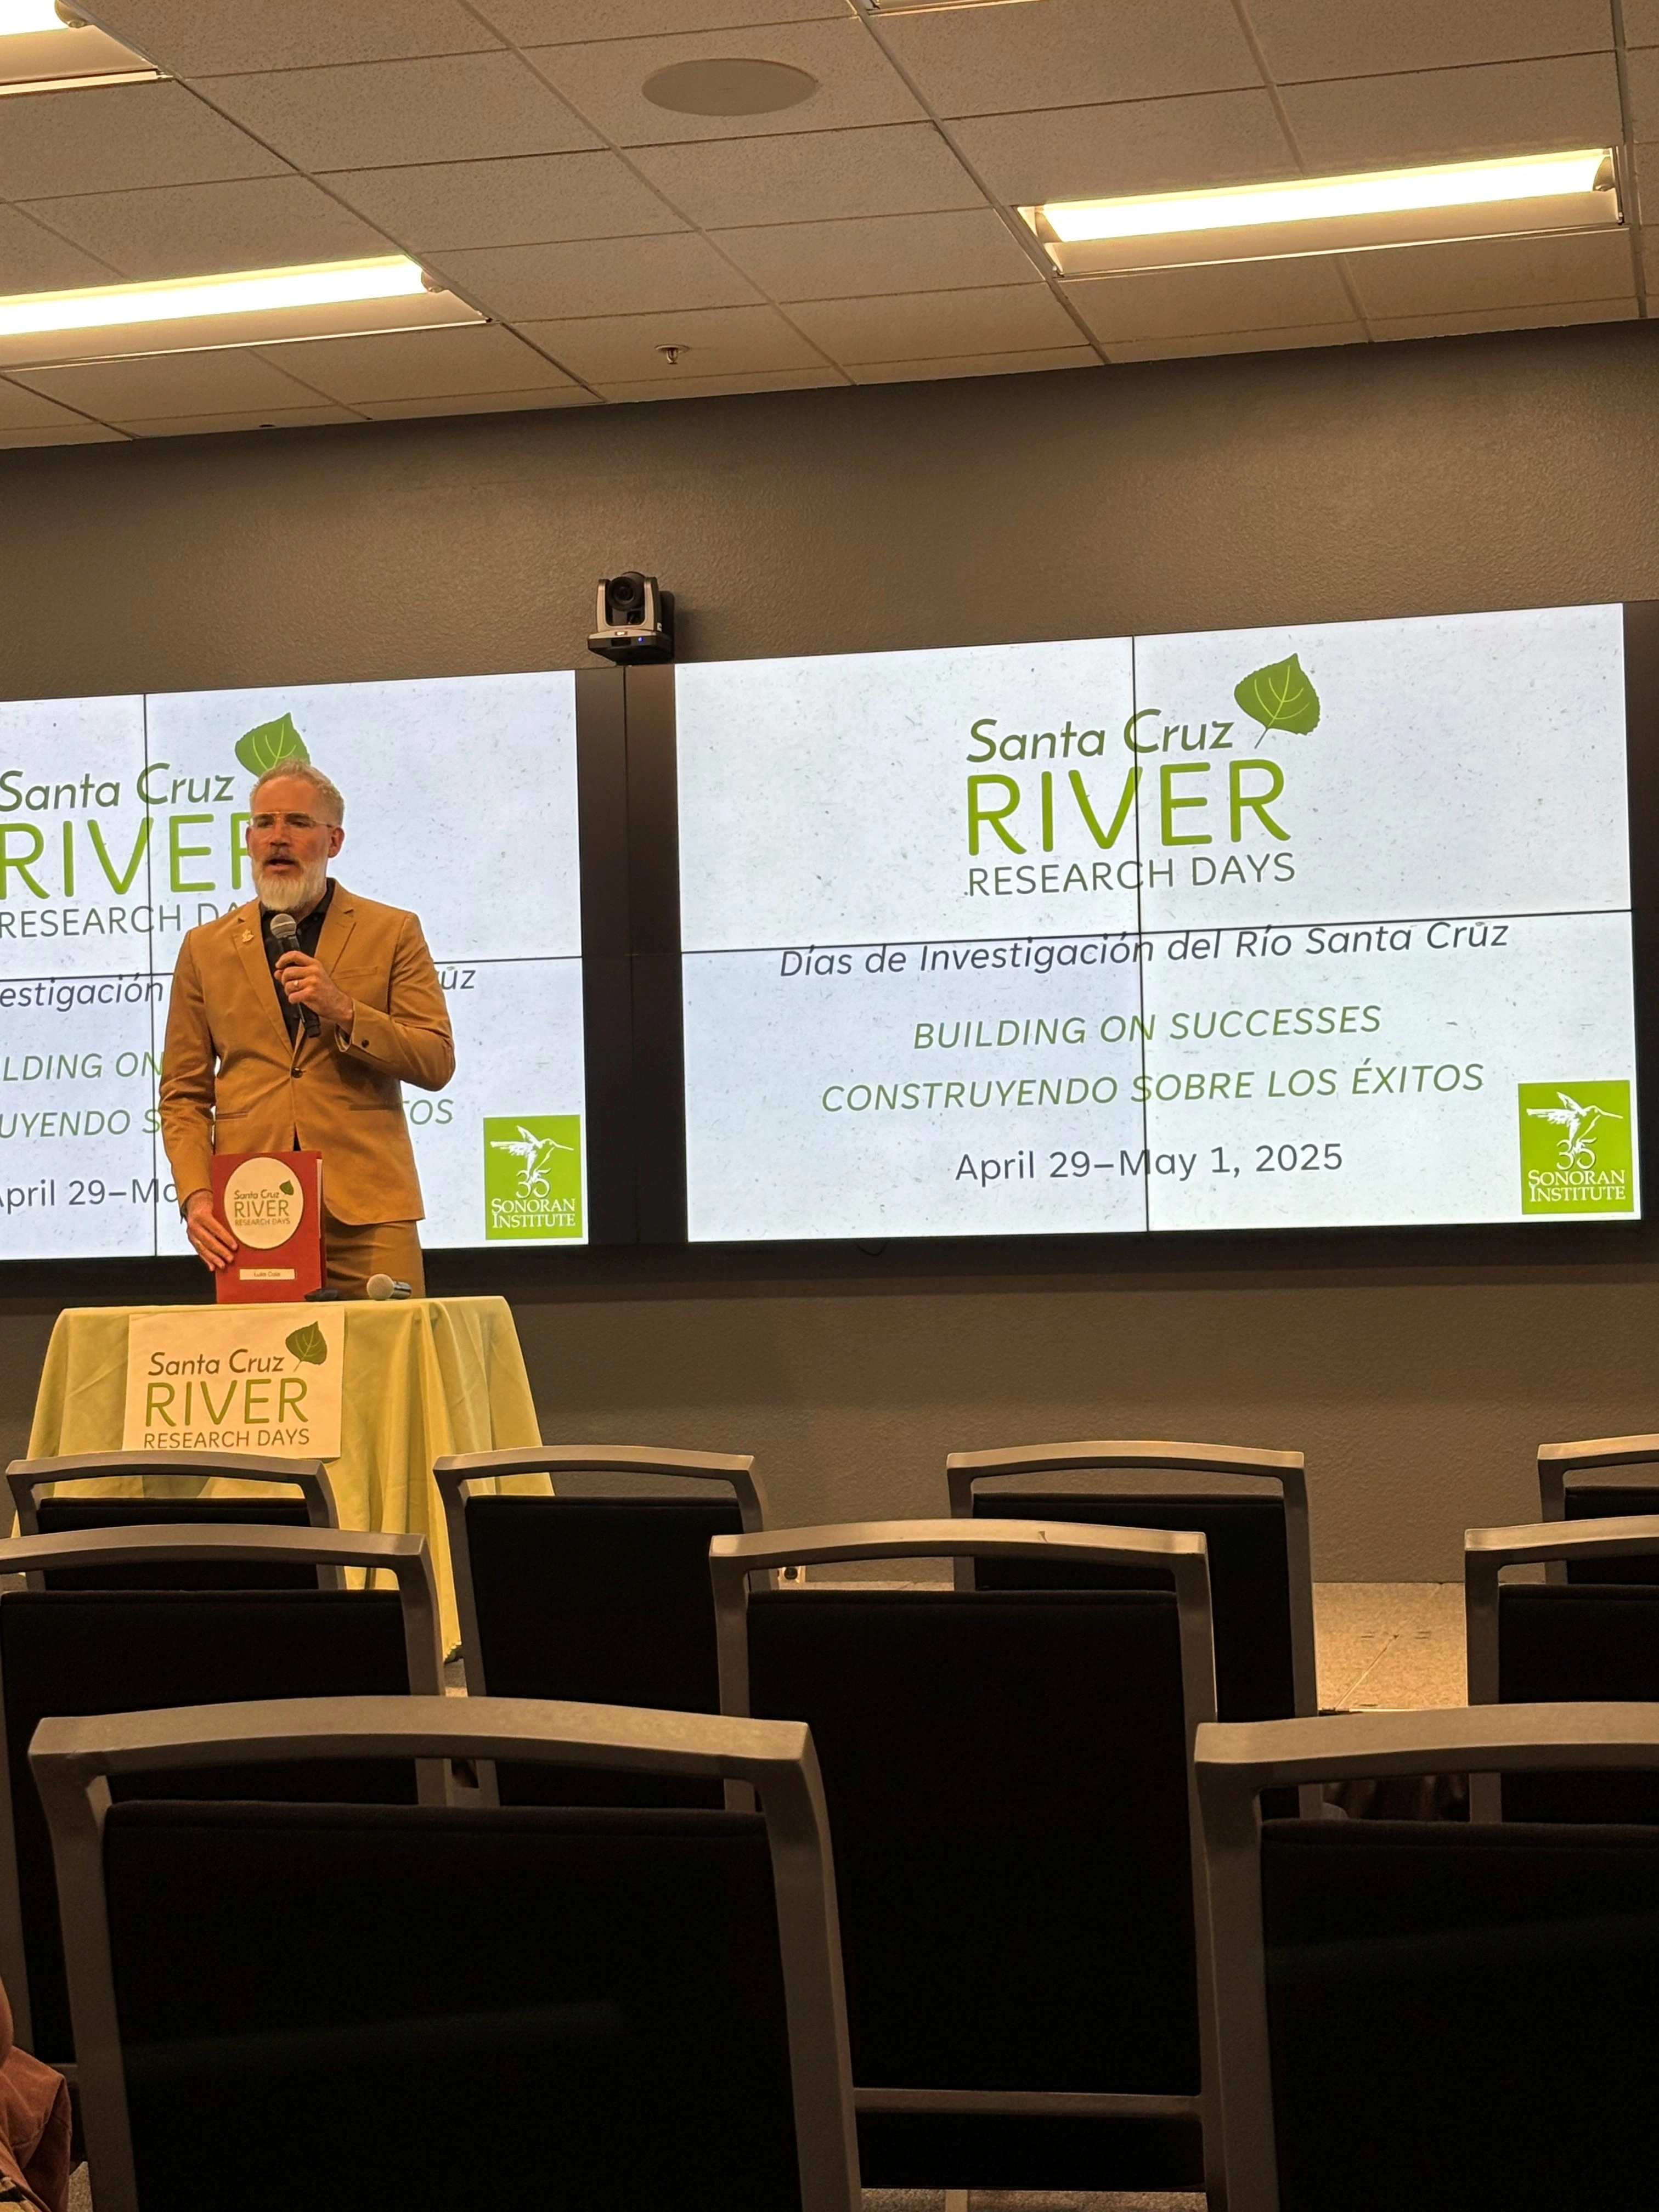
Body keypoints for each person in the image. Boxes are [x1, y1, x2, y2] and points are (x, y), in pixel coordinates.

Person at [160, 757, 454, 1298]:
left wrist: (345, 1009)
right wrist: (197, 1196)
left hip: (368, 1209)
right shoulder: (206, 948)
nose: (277, 838)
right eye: (264, 823)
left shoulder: (392, 931)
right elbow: (182, 1093)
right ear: (247, 839)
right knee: (269, 1373)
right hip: (251, 1208)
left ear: (334, 840)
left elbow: (436, 1062)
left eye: (297, 823)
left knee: (386, 1366)